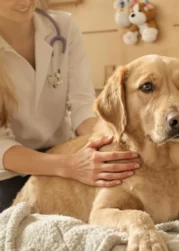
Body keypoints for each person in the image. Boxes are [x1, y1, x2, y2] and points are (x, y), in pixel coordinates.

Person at [0, 0, 139, 212]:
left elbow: (82, 104)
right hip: (11, 170)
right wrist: (69, 166)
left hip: (64, 151)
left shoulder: (63, 27)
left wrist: (106, 144)